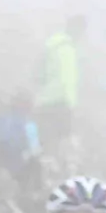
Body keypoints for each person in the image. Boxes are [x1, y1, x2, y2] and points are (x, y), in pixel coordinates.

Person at [36, 14, 86, 150]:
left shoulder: (54, 45)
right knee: (57, 145)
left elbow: (39, 74)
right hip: (59, 104)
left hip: (49, 102)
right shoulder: (64, 47)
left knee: (49, 144)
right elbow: (68, 81)